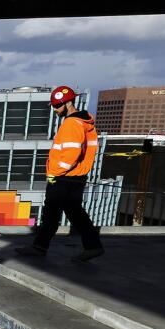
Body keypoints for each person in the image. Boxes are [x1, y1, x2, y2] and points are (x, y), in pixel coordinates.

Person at [18, 85, 104, 261]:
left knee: (52, 213)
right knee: (72, 212)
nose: (55, 110)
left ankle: (41, 247)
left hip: (63, 177)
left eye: (57, 106)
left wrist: (54, 173)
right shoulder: (84, 122)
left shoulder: (72, 124)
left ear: (68, 103)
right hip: (75, 176)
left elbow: (71, 155)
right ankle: (92, 245)